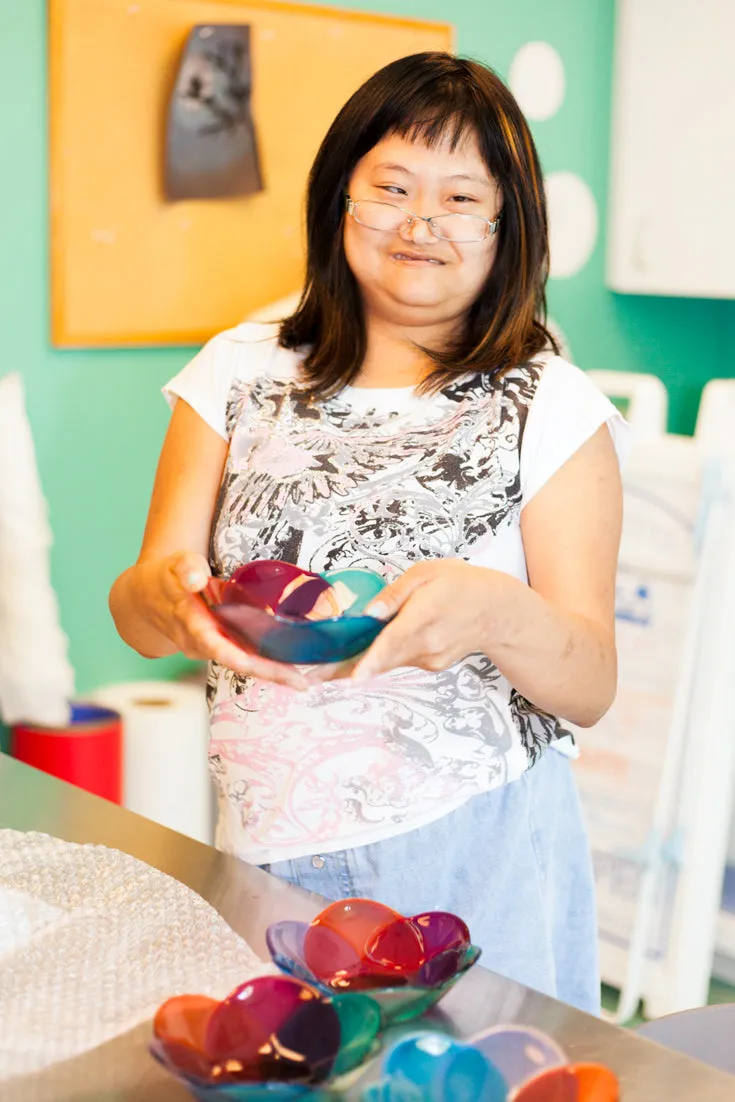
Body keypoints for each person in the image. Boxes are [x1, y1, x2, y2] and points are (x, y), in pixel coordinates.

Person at [110, 52, 628, 1014]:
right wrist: (168, 598)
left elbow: (590, 682)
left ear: (505, 227)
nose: (420, 223)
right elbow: (140, 609)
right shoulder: (238, 370)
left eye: (460, 198)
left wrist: (494, 615)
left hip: (475, 856)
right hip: (266, 850)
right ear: (339, 196)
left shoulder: (551, 405)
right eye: (391, 186)